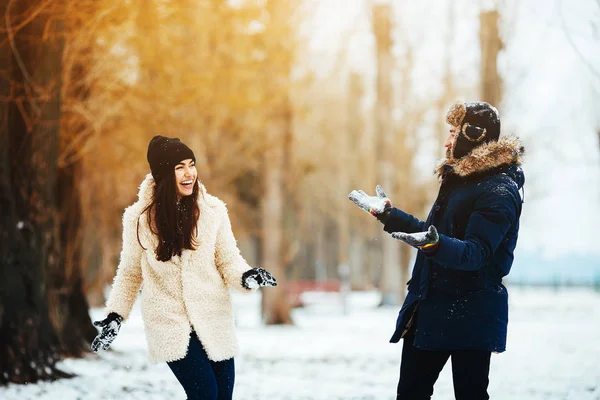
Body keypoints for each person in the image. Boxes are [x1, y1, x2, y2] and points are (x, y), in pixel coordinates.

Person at [349, 101, 525, 400]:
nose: (447, 140)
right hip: (430, 308)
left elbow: (475, 254)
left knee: (470, 395)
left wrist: (433, 244)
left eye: (454, 132)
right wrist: (388, 214)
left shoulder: (498, 190)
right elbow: (435, 235)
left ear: (474, 135)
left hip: (470, 314)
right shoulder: (460, 181)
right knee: (410, 394)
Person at [91, 135, 277, 400]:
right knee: (206, 394)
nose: (190, 173)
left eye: (191, 164)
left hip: (213, 318)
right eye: (180, 167)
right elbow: (130, 273)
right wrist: (115, 316)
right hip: (169, 322)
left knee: (222, 397)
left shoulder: (213, 211)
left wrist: (247, 276)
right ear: (164, 174)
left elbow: (228, 260)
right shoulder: (139, 219)